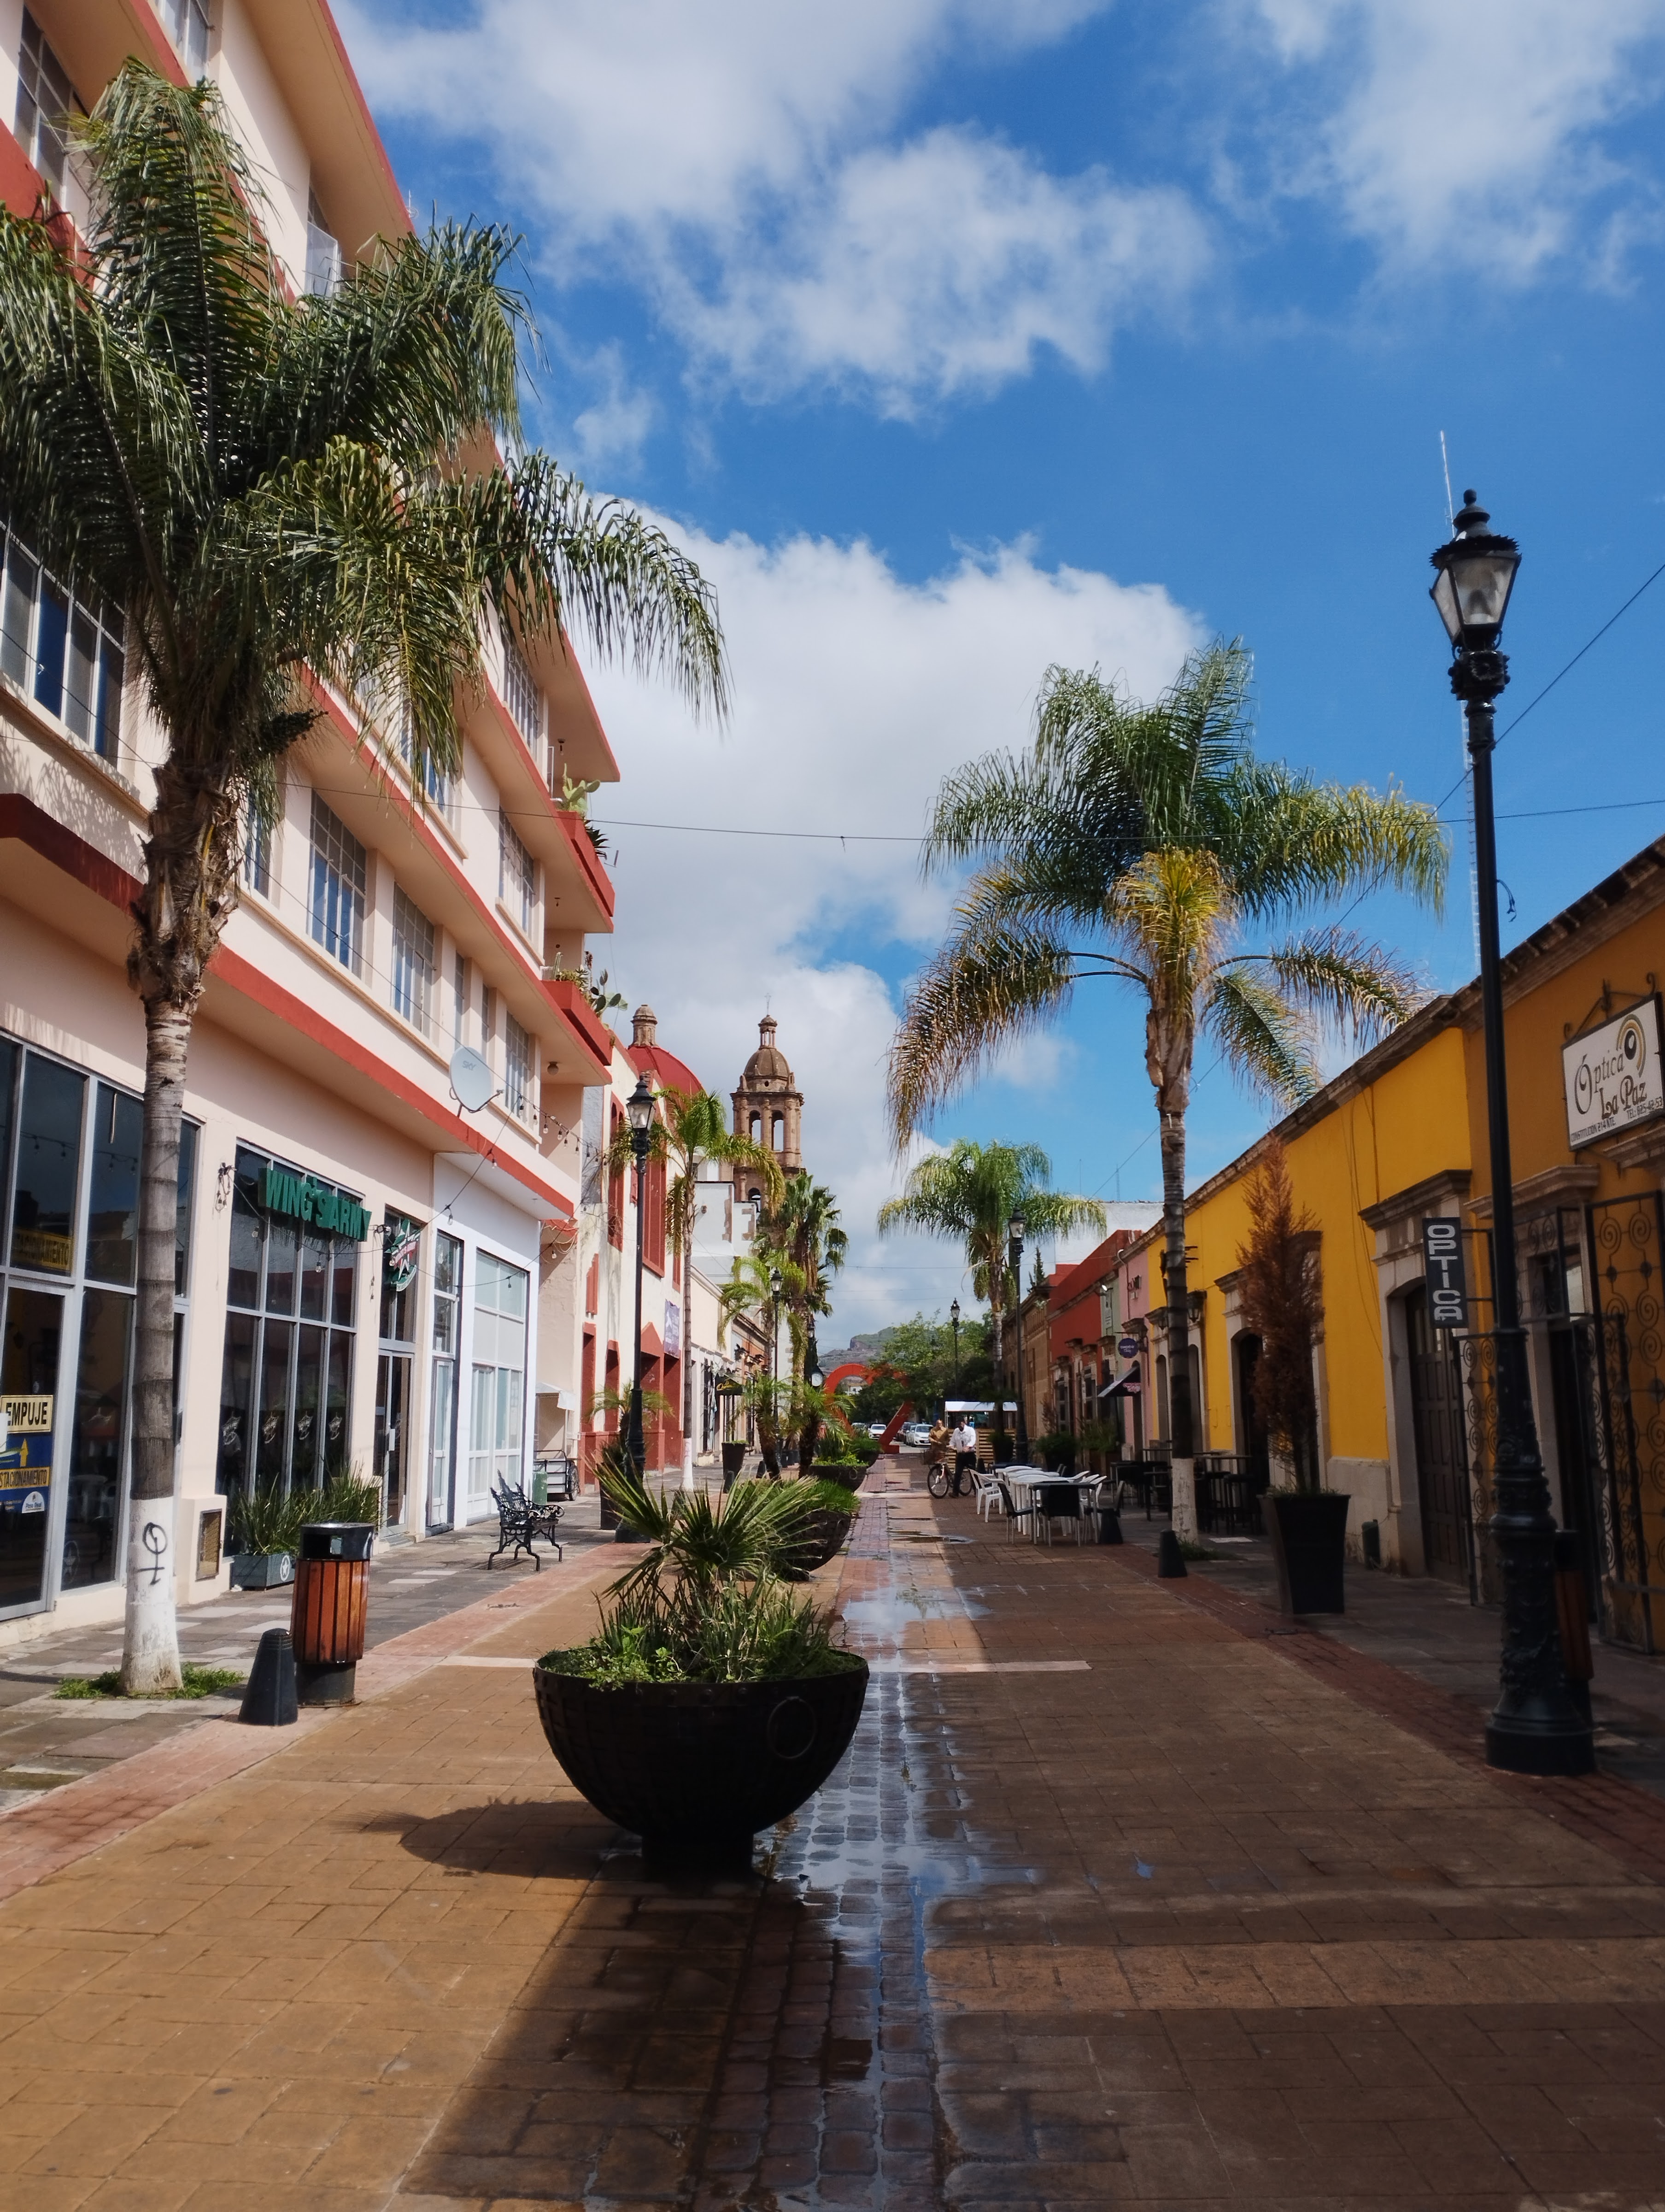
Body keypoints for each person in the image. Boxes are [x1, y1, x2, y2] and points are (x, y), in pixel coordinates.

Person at [949, 1416, 978, 1496]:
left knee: (973, 1473)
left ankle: (977, 1491)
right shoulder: (956, 1431)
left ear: (964, 1423)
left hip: (970, 1455)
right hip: (960, 1455)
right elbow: (952, 1442)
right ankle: (955, 1493)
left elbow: (973, 1441)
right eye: (957, 1424)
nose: (959, 1425)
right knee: (958, 1473)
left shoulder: (970, 1430)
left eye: (960, 1423)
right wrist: (951, 1446)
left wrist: (968, 1447)